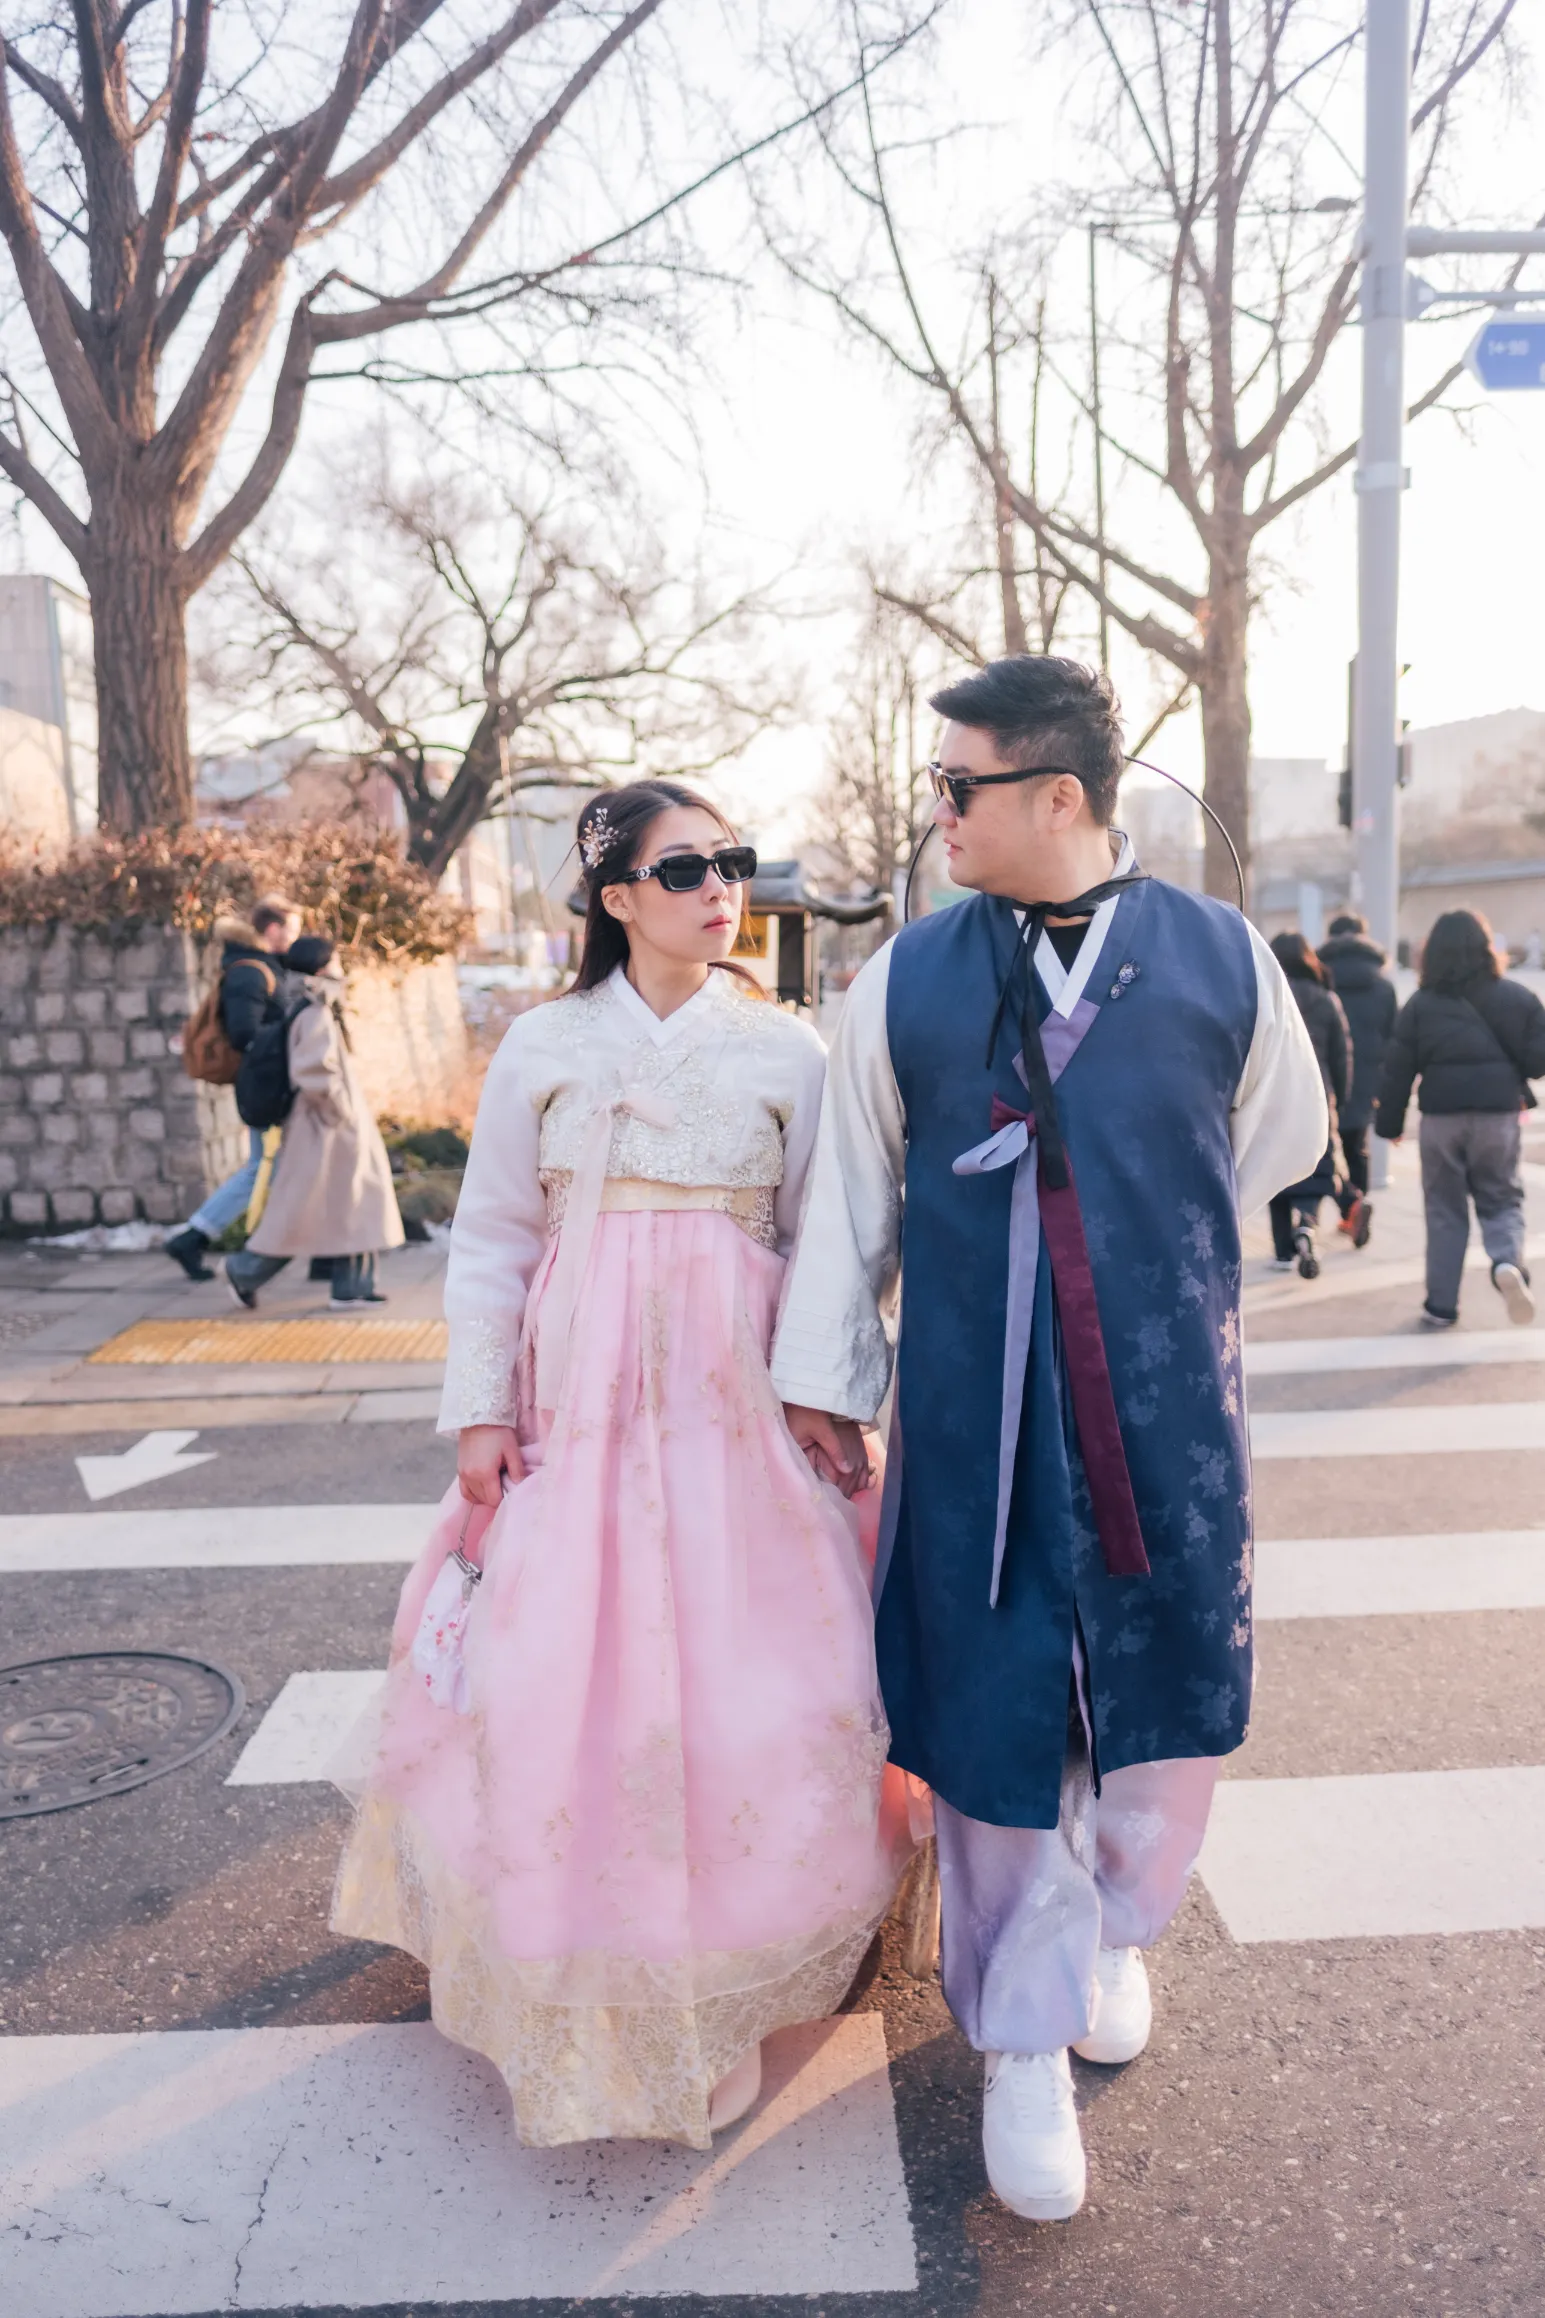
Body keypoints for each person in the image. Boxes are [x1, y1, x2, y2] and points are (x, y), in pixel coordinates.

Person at [769, 656, 1325, 2223]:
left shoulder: (1221, 957)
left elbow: (1269, 1141)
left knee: (1160, 1685)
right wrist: (830, 1379)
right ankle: (1021, 2030)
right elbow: (853, 1199)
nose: (938, 811)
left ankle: (1116, 1926)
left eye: (959, 785)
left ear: (1058, 794)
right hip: (976, 1412)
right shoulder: (907, 979)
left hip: (1163, 1405)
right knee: (996, 1695)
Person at [331, 778, 910, 2150]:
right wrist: (483, 1411)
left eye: (735, 862)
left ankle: (724, 1981)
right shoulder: (544, 1044)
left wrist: (824, 1394)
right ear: (615, 897)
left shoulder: (786, 1050)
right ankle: (579, 1961)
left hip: (736, 1418)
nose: (723, 890)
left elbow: (831, 1241)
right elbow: (492, 1238)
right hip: (577, 1413)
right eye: (688, 868)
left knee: (755, 1682)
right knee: (560, 1679)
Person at [1375, 906, 1545, 1330]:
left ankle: (1441, 1306)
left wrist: (1390, 1125)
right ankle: (1506, 1262)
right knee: (1501, 1198)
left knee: (1444, 1211)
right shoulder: (1518, 998)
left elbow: (1397, 1071)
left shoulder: (1419, 1006)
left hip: (1440, 1119)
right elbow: (1537, 1062)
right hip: (1497, 1116)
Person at [224, 937, 404, 1310]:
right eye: (335, 960)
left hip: (327, 1127)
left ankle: (353, 1286)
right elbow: (314, 1071)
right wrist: (342, 1112)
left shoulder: (311, 1005)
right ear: (323, 967)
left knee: (348, 1206)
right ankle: (245, 1271)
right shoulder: (315, 1011)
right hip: (325, 1128)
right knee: (302, 1212)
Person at [163, 894, 301, 1280]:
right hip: (264, 1086)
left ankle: (197, 1237)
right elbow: (244, 1033)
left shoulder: (258, 967)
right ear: (272, 929)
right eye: (291, 930)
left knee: (267, 1168)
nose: (294, 938)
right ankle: (195, 1237)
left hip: (267, 1083)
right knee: (263, 1168)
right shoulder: (251, 973)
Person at [1266, 931, 1351, 1280]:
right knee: (1315, 1165)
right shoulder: (1327, 1000)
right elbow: (1341, 1056)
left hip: (1273, 1094)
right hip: (1316, 1093)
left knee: (1275, 1169)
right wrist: (1339, 1097)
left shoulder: (1266, 995)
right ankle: (1307, 1224)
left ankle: (1282, 1251)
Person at [1318, 910, 1396, 1247]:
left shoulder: (1319, 979)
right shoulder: (1383, 985)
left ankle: (1340, 1207)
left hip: (1324, 1076)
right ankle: (1356, 1208)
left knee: (1321, 1146)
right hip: (1366, 1076)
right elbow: (1394, 1038)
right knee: (1356, 1145)